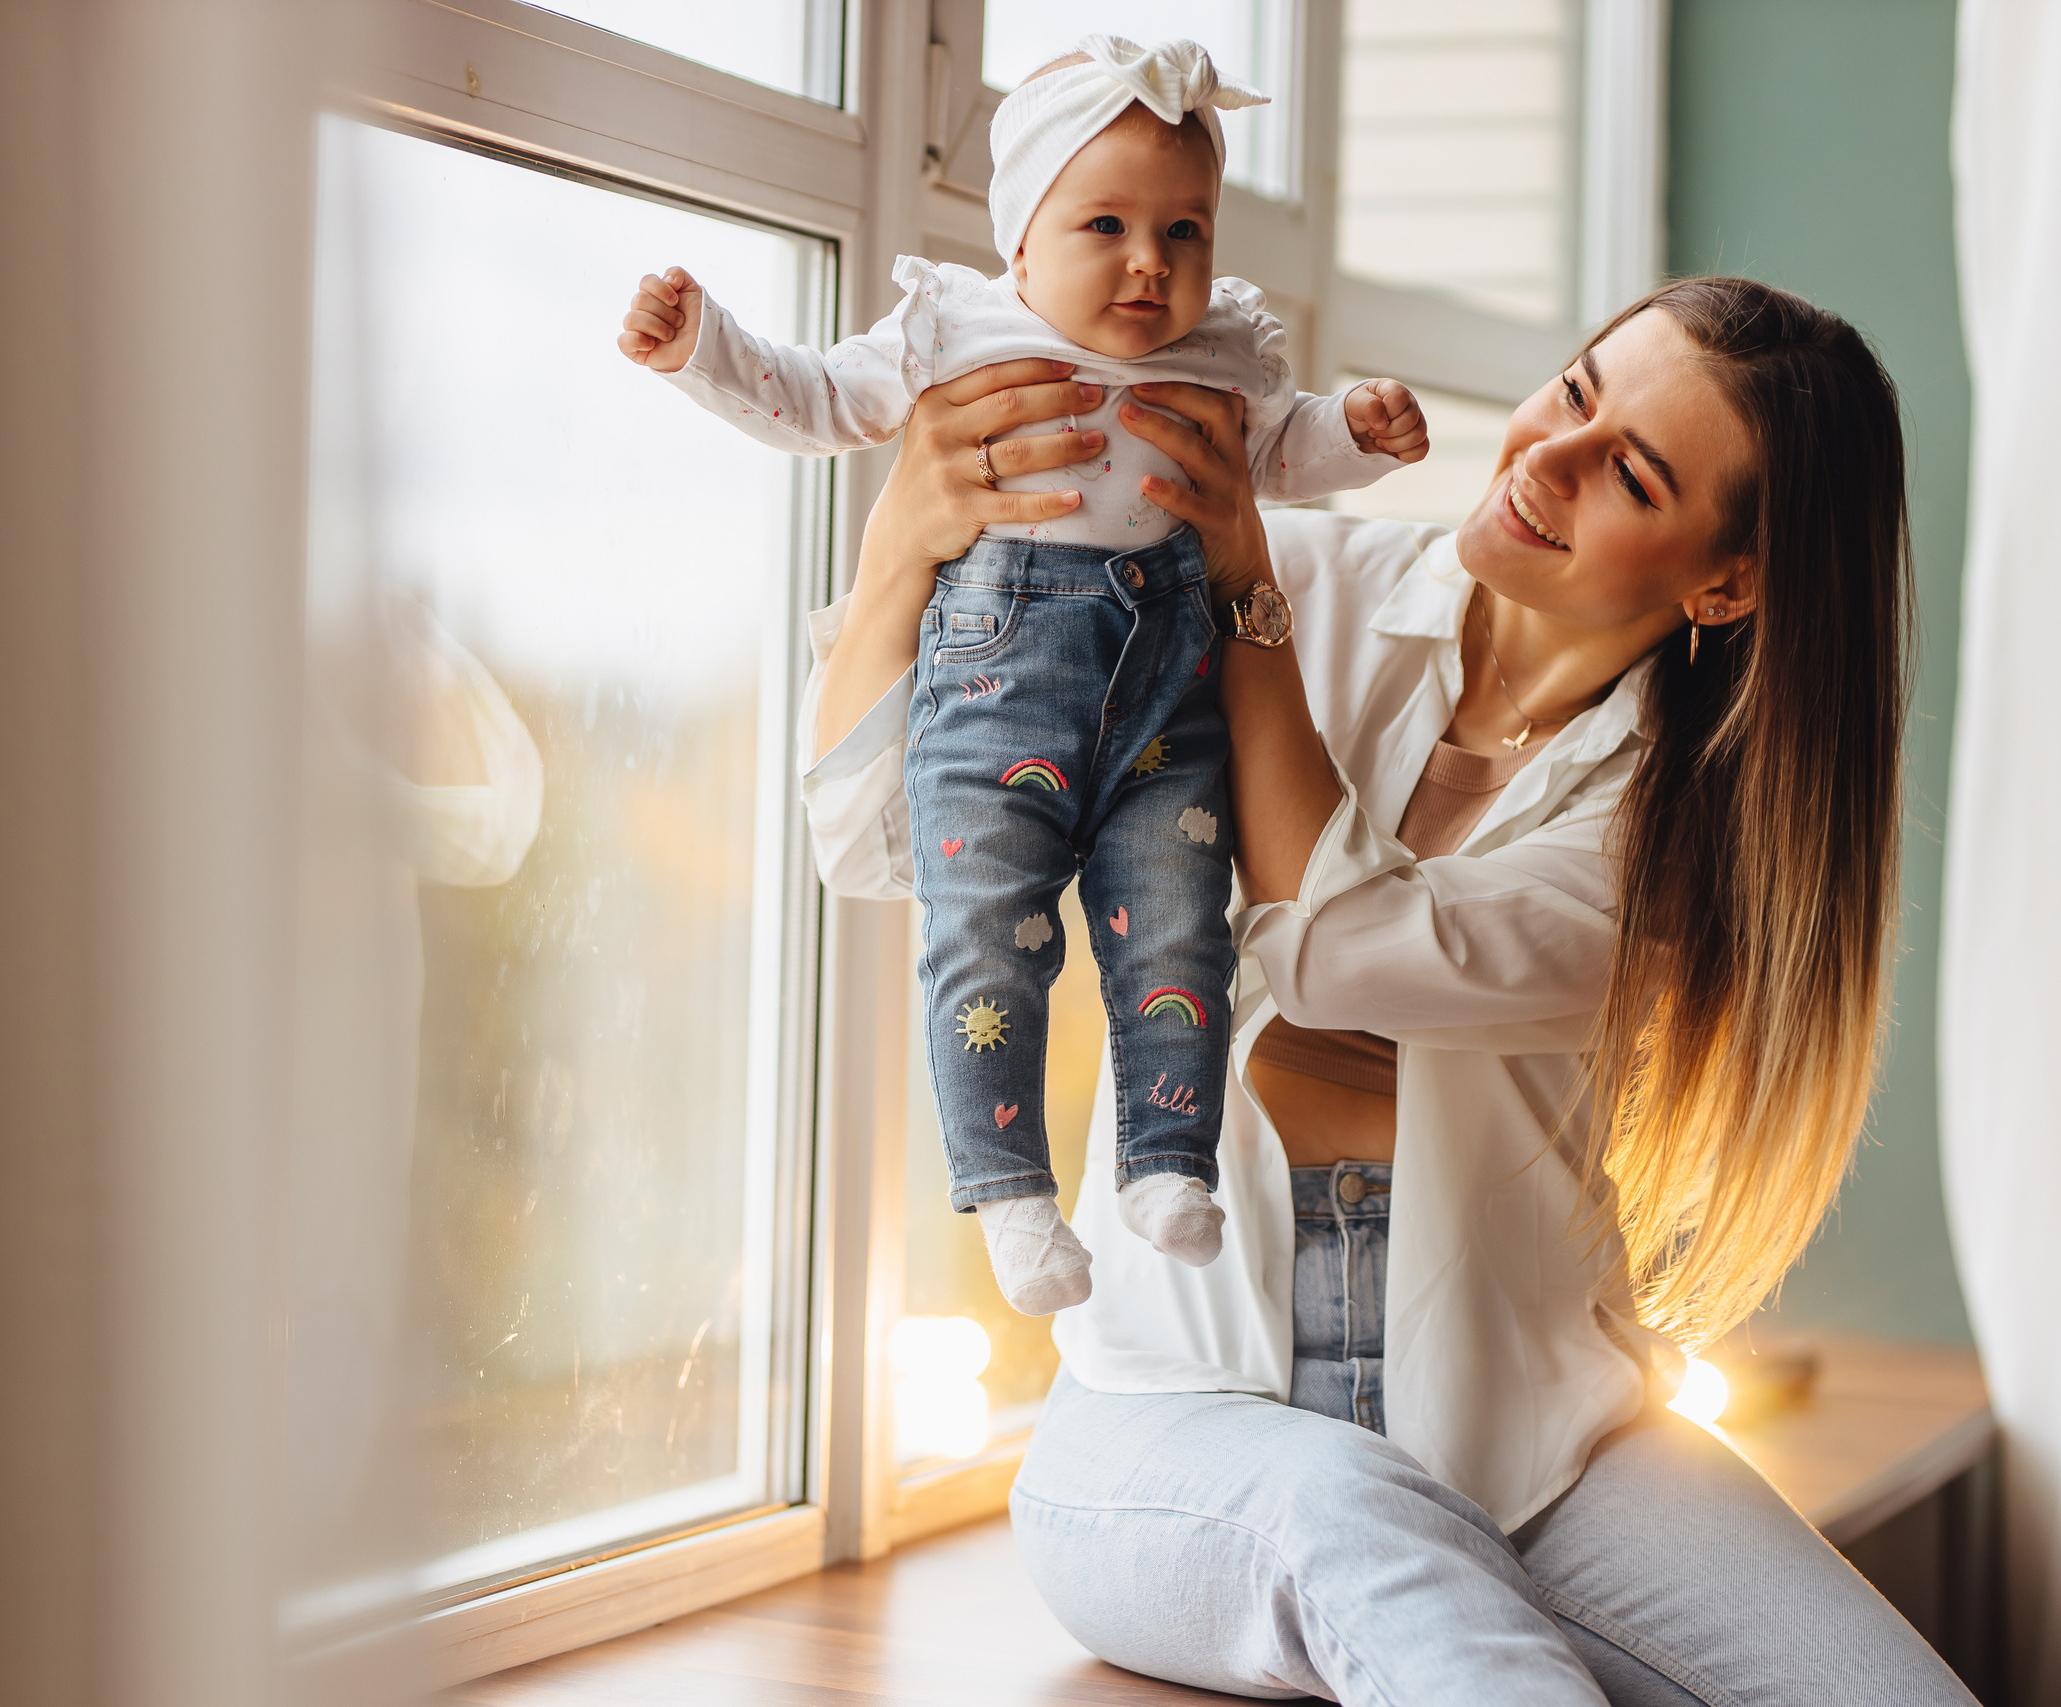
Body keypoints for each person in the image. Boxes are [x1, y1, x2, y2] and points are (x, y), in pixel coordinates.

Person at [802, 277, 1976, 1702]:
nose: (1544, 455)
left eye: (1631, 472)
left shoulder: (1682, 843)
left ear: (1724, 582)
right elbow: (882, 846)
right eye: (1575, 391)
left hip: (1530, 1442)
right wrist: (901, 550)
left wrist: (1240, 606)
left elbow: (1337, 941)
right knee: (1389, 1560)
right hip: (1176, 1417)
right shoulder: (1307, 571)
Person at [619, 36, 1427, 1316]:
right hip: (999, 687)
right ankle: (1008, 1195)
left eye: (1185, 229)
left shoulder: (1222, 352)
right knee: (987, 936)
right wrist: (701, 348)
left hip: (1170, 698)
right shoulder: (957, 327)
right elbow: (818, 400)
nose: (1150, 262)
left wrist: (1361, 434)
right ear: (1021, 239)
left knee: (1177, 929)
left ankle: (1168, 1162)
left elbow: (1286, 452)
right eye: (1104, 224)